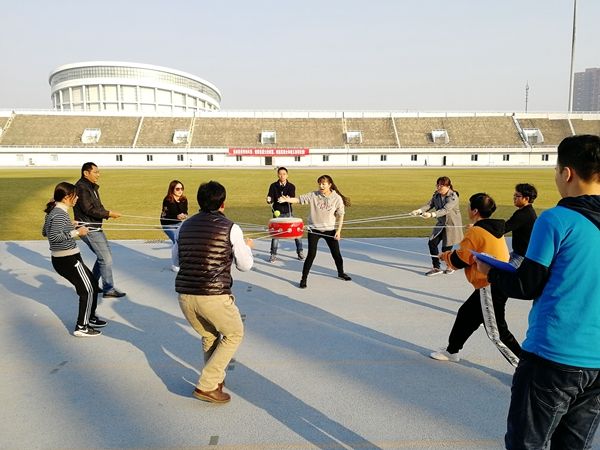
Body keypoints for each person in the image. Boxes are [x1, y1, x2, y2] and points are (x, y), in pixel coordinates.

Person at [476, 135, 600, 450]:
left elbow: (527, 284)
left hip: (553, 356)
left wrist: (490, 271)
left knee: (527, 443)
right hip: (597, 363)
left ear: (567, 173)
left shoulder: (557, 219)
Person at [174, 181, 254, 404]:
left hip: (185, 295)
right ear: (223, 203)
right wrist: (247, 247)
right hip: (214, 295)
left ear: (199, 201)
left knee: (209, 335)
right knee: (234, 333)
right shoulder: (231, 228)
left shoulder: (183, 226)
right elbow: (245, 265)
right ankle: (207, 384)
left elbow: (176, 261)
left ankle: (216, 380)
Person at [430, 193, 521, 366]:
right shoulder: (493, 228)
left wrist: (445, 256)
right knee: (466, 315)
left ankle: (526, 367)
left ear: (475, 211)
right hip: (495, 282)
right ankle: (452, 350)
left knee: (496, 332)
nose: (467, 209)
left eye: (469, 206)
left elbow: (461, 260)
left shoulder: (476, 231)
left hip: (490, 285)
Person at [42, 182, 107, 337]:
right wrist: (77, 232)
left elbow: (45, 231)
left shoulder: (55, 211)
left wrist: (69, 225)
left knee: (92, 284)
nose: (77, 198)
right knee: (88, 290)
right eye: (75, 196)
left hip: (66, 258)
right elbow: (53, 237)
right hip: (67, 259)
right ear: (66, 198)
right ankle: (82, 327)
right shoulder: (59, 213)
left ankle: (89, 317)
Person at [278, 174, 351, 289]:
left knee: (336, 254)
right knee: (311, 255)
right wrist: (287, 199)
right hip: (314, 230)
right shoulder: (313, 195)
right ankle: (303, 279)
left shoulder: (337, 198)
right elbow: (299, 199)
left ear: (330, 185)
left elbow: (341, 215)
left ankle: (341, 273)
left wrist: (338, 231)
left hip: (329, 230)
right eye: (319, 184)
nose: (321, 186)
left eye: (323, 184)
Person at [74, 162, 126, 298]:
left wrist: (108, 213)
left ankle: (92, 284)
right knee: (105, 258)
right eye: (96, 172)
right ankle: (108, 289)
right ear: (86, 173)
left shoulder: (90, 186)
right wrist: (108, 214)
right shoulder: (82, 188)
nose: (98, 175)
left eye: (98, 172)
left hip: (95, 227)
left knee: (104, 257)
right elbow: (88, 209)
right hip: (88, 228)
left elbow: (98, 206)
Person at [411, 176, 463, 276]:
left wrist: (432, 214)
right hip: (441, 224)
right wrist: (419, 211)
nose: (438, 187)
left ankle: (450, 266)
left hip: (451, 225)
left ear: (448, 186)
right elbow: (429, 205)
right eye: (437, 185)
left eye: (441, 185)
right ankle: (436, 267)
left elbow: (446, 210)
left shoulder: (453, 197)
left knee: (446, 249)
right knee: (432, 243)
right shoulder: (437, 195)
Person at [266, 167, 304, 262]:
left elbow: (292, 199)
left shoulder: (291, 186)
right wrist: (269, 199)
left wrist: (286, 199)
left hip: (288, 213)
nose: (282, 176)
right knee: (276, 235)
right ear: (277, 175)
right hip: (277, 214)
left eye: (284, 174)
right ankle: (273, 254)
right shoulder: (273, 186)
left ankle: (300, 252)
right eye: (280, 174)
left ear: (287, 175)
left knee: (296, 233)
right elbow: (270, 198)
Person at [504, 183, 537, 267]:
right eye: (514, 195)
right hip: (519, 254)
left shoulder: (524, 214)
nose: (514, 198)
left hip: (521, 257)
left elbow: (505, 228)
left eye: (517, 196)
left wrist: (484, 225)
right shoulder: (527, 211)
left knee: (502, 272)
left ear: (526, 198)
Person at [160, 180, 188, 272]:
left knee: (183, 241)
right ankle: (175, 264)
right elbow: (167, 214)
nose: (180, 191)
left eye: (182, 189)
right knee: (176, 242)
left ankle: (182, 261)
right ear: (172, 189)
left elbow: (185, 211)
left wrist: (184, 215)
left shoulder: (184, 199)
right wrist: (177, 216)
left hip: (178, 223)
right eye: (177, 189)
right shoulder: (167, 200)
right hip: (167, 224)